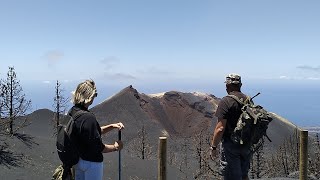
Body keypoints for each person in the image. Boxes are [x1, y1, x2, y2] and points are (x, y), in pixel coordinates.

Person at [69, 79, 124, 180]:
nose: (95, 97)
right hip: (91, 164)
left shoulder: (73, 112)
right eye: (95, 94)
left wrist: (112, 126)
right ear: (89, 96)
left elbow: (91, 132)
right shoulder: (88, 118)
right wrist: (115, 147)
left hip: (78, 161)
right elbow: (99, 147)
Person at [210, 73, 252, 180]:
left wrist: (213, 147)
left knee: (230, 176)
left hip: (230, 146)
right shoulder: (248, 100)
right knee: (244, 175)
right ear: (240, 85)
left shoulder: (226, 101)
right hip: (246, 145)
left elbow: (220, 128)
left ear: (227, 86)